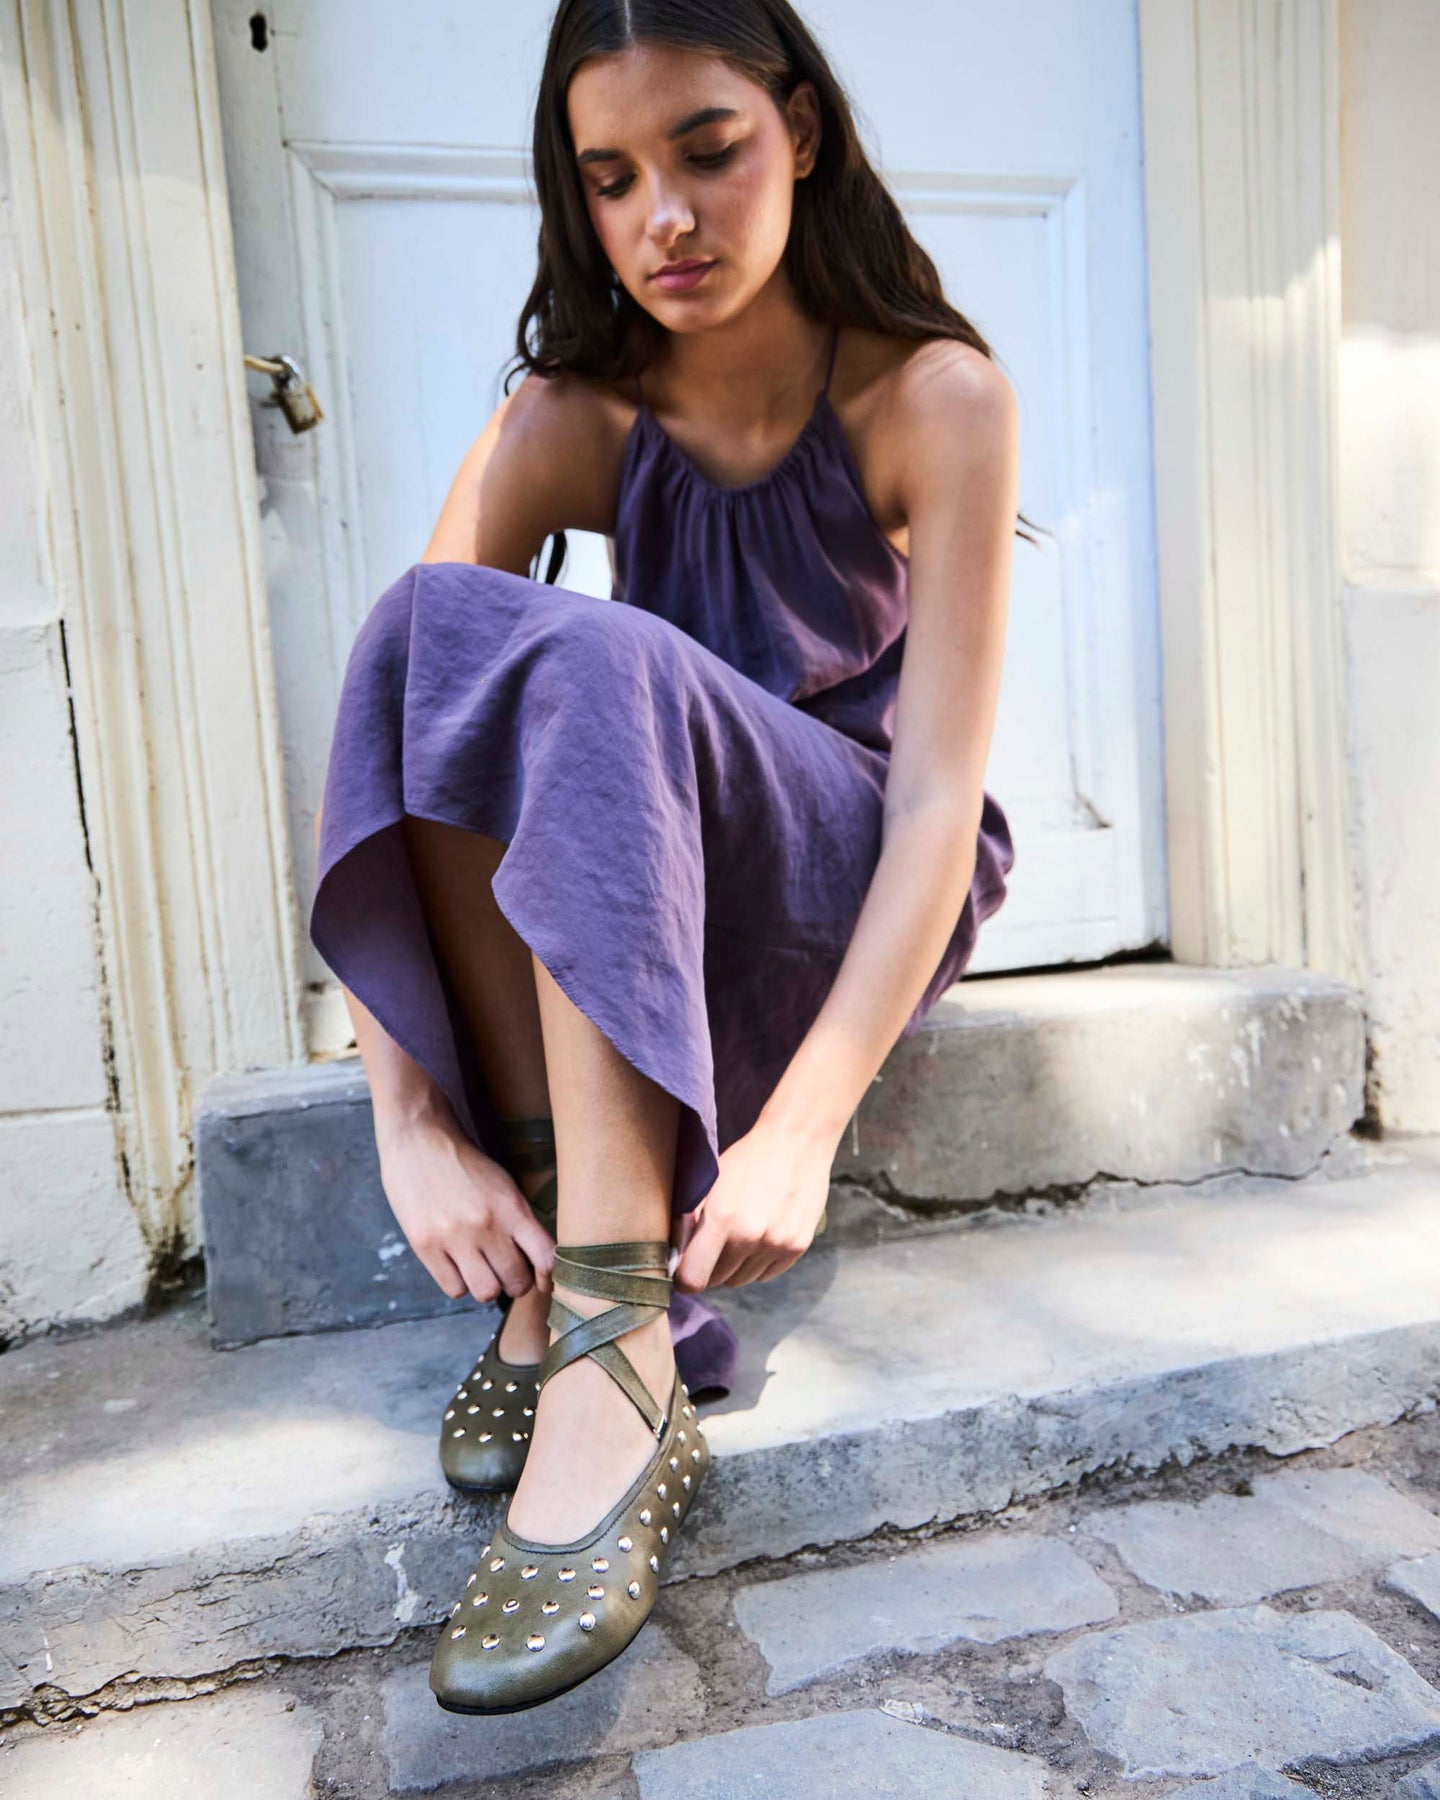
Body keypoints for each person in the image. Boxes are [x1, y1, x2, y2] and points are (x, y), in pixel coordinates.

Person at [310, 0, 1022, 1718]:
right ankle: (570, 1227)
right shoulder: (571, 416)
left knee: (600, 661)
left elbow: (937, 804)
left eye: (708, 152)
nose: (665, 220)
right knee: (430, 628)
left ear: (802, 132)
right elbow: (402, 711)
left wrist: (804, 1129)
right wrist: (406, 1127)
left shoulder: (936, 396)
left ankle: (613, 1331)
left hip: (834, 874)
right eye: (613, 178)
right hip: (646, 884)